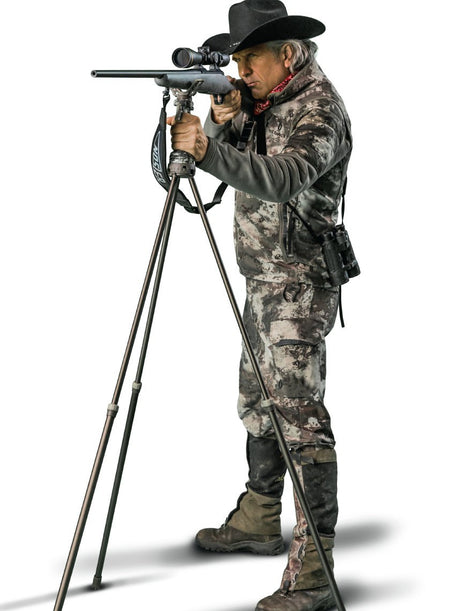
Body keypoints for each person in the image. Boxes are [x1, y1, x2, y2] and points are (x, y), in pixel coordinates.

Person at [168, 1, 353, 610]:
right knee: (256, 403)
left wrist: (206, 148)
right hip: (261, 277)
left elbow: (281, 178)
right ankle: (258, 516)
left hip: (299, 285)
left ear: (288, 54)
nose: (241, 71)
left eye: (251, 60)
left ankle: (315, 572)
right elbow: (237, 158)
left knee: (300, 419)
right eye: (237, 61)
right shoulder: (263, 98)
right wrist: (222, 120)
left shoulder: (320, 110)